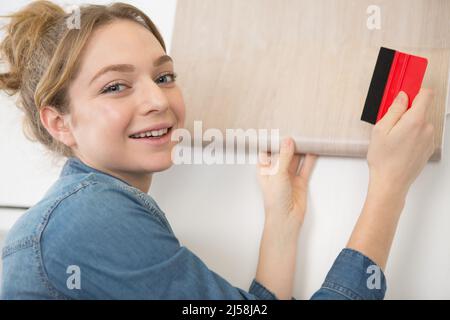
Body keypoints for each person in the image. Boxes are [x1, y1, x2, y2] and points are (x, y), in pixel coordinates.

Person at [0, 1, 435, 299]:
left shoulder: (85, 210)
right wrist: (390, 186)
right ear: (59, 122)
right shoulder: (88, 218)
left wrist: (281, 226)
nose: (157, 100)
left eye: (164, 77)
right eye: (116, 86)